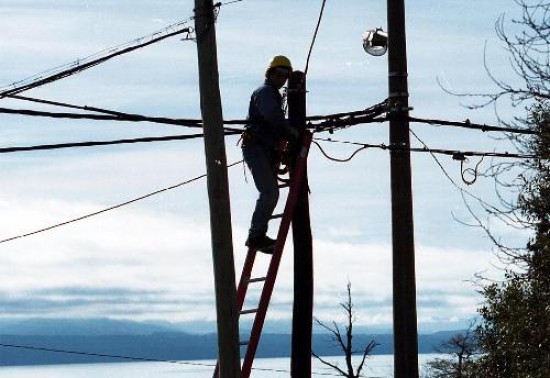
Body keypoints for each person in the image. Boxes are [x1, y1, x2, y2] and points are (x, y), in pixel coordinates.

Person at [242, 55, 299, 252]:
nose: (282, 79)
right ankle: (256, 236)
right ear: (270, 73)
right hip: (255, 146)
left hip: (264, 148)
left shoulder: (273, 94)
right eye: (280, 74)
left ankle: (258, 234)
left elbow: (275, 124)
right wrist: (293, 134)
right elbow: (273, 118)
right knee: (269, 192)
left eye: (286, 76)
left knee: (270, 192)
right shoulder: (265, 92)